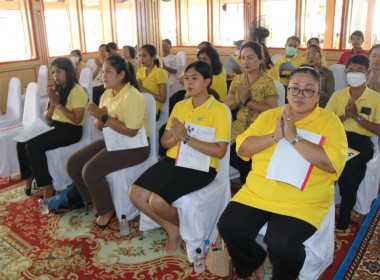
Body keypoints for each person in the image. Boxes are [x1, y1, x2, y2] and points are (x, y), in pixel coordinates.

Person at [218, 66, 347, 280]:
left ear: (317, 94)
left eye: (308, 90)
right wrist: (275, 136)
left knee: (282, 244)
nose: (300, 95)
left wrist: (295, 138)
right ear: (287, 92)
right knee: (229, 225)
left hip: (303, 199)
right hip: (259, 191)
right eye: (295, 88)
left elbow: (332, 165)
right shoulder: (270, 116)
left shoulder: (330, 122)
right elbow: (242, 148)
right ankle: (252, 265)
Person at [129, 61, 230, 254]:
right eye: (187, 78)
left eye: (195, 78)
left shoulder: (219, 110)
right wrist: (175, 137)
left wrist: (187, 138)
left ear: (207, 81)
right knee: (135, 193)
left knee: (156, 202)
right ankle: (172, 227)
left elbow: (219, 151)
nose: (188, 82)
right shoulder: (180, 106)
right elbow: (165, 142)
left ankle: (180, 228)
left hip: (201, 166)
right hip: (174, 160)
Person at [66, 55, 150, 228]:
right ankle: (94, 199)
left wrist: (104, 117)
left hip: (136, 146)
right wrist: (99, 117)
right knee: (72, 163)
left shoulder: (133, 96)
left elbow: (132, 132)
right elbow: (99, 126)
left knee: (90, 170)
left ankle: (107, 209)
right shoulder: (106, 94)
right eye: (103, 71)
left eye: (108, 72)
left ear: (121, 75)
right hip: (113, 139)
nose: (103, 75)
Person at [17, 57, 88, 199]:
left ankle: (47, 185)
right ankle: (29, 176)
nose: (55, 76)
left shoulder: (77, 91)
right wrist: (51, 106)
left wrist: (58, 104)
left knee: (33, 145)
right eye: (53, 72)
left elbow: (77, 119)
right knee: (21, 141)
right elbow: (48, 116)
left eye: (59, 72)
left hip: (70, 130)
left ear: (68, 72)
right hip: (55, 126)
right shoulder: (58, 90)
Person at [326, 54, 380, 230]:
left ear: (368, 73)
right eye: (351, 71)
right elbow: (326, 124)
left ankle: (345, 214)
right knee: (324, 162)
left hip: (363, 142)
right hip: (339, 138)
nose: (354, 74)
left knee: (347, 168)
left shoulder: (376, 98)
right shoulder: (337, 96)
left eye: (359, 71)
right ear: (345, 73)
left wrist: (357, 118)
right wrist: (345, 116)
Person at [224, 41, 279, 184]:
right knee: (222, 148)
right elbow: (226, 105)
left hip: (259, 128)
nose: (245, 61)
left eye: (250, 57)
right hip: (239, 126)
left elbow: (272, 111)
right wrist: (239, 100)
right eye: (242, 58)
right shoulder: (239, 79)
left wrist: (247, 101)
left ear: (261, 60)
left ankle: (250, 184)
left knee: (241, 155)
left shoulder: (268, 82)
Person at [136, 44, 168, 120]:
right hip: (140, 105)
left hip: (153, 108)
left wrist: (144, 90)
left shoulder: (159, 72)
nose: (141, 58)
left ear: (153, 57)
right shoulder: (140, 71)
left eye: (144, 55)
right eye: (140, 55)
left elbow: (162, 99)